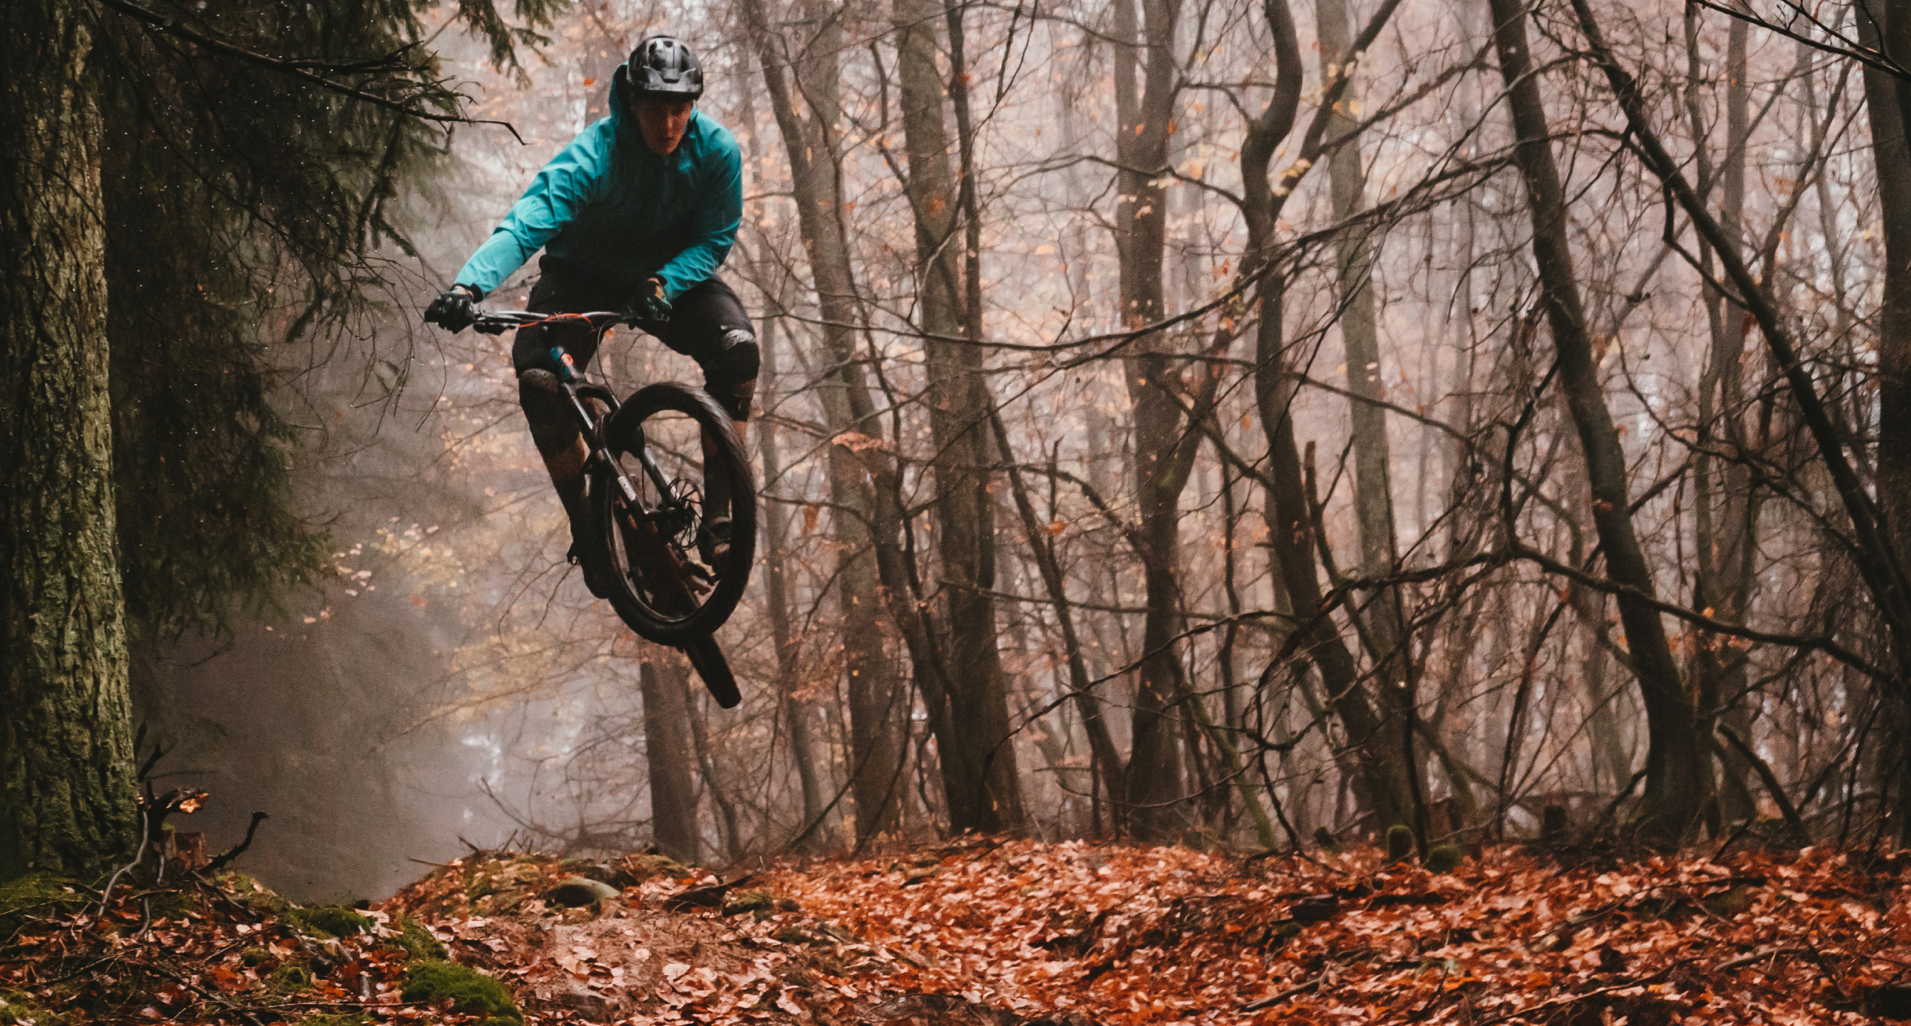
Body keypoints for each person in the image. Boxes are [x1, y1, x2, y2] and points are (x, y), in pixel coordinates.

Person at [424, 35, 755, 594]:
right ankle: (592, 529)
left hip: (670, 276)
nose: (670, 123)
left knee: (738, 351)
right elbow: (527, 222)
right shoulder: (593, 157)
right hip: (583, 276)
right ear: (631, 101)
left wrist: (665, 282)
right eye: (657, 108)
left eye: (681, 109)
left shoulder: (718, 152)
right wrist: (468, 284)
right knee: (539, 381)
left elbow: (716, 236)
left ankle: (720, 519)